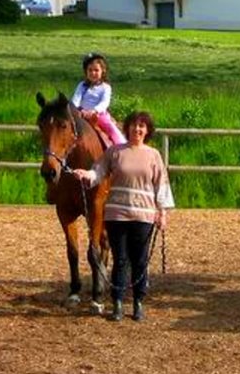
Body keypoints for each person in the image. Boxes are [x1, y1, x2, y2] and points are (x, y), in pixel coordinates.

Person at [72, 111, 174, 322]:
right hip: (117, 214)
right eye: (134, 125)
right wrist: (86, 175)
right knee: (120, 260)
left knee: (140, 261)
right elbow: (98, 171)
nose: (137, 130)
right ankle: (117, 302)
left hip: (143, 215)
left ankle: (138, 302)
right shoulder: (114, 152)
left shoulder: (153, 155)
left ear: (147, 131)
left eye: (142, 126)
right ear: (126, 128)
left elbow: (161, 184)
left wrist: (162, 212)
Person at [71, 52, 127, 146]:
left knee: (110, 127)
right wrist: (78, 109)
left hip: (98, 115)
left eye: (96, 70)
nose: (93, 73)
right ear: (86, 71)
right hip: (82, 114)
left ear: (103, 71)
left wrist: (94, 111)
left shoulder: (105, 87)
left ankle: (121, 145)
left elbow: (104, 103)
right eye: (90, 70)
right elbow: (76, 99)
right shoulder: (82, 86)